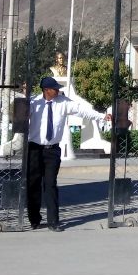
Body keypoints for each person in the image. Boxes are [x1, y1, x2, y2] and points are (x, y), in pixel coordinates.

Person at [26, 76, 109, 231]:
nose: (58, 91)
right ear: (46, 90)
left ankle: (53, 222)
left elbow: (82, 111)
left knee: (50, 185)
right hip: (35, 149)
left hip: (52, 150)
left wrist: (101, 116)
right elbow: (21, 116)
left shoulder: (63, 102)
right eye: (55, 89)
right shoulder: (34, 103)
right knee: (33, 185)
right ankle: (34, 220)